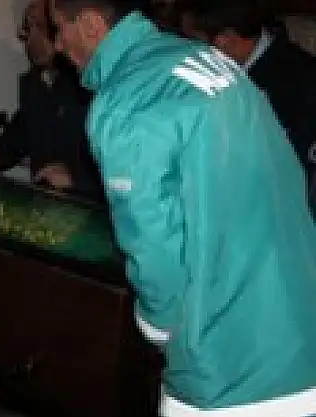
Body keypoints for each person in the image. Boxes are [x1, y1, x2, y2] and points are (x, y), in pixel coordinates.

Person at [51, 0, 316, 415]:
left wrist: (159, 327)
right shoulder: (206, 60)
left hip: (232, 369)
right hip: (298, 328)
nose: (56, 44)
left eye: (58, 28)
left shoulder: (129, 98)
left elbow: (152, 246)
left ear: (89, 24)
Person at [0, 0, 101, 197]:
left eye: (39, 27)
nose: (30, 38)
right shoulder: (33, 83)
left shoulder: (93, 83)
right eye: (27, 28)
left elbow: (128, 163)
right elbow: (21, 131)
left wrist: (76, 177)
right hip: (45, 204)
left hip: (91, 205)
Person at [179, 0, 316, 212]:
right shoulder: (249, 71)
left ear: (224, 41)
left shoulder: (294, 86)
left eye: (194, 42)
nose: (188, 52)